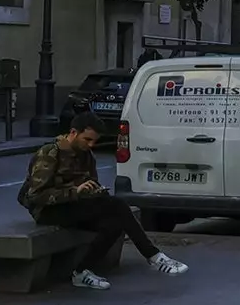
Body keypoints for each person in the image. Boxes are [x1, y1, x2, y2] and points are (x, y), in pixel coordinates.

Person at [20, 111, 189, 291]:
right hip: (48, 210)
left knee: (114, 224)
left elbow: (89, 183)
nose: (91, 144)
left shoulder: (87, 155)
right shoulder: (49, 153)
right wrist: (74, 192)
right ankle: (153, 256)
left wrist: (94, 191)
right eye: (87, 139)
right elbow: (35, 195)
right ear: (73, 133)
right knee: (117, 205)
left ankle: (81, 272)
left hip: (74, 205)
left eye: (94, 141)